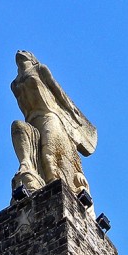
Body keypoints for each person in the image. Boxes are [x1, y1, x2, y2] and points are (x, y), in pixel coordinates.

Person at [10, 50, 96, 200]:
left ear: (32, 58)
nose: (20, 52)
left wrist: (70, 109)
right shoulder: (14, 84)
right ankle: (27, 170)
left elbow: (57, 90)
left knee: (49, 157)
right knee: (17, 127)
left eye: (25, 52)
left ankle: (55, 191)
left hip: (49, 118)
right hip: (32, 121)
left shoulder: (40, 69)